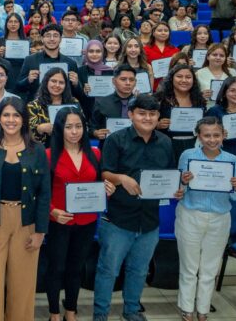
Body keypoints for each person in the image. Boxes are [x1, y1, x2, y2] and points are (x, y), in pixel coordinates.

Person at [94, 94, 179, 321]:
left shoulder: (165, 142)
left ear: (158, 116)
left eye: (152, 114)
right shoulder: (116, 140)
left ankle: (131, 310)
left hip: (150, 219)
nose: (147, 118)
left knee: (139, 270)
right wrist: (121, 178)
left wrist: (175, 189)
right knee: (108, 270)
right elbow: (104, 173)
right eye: (142, 113)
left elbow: (169, 175)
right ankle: (100, 314)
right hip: (118, 218)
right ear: (131, 114)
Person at [0, 97, 50, 321]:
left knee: (23, 283)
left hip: (26, 222)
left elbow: (44, 193)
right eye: (6, 115)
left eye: (16, 115)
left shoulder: (36, 150)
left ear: (24, 120)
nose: (11, 120)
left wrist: (40, 232)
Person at [44, 107, 111, 321]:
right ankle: (54, 313)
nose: (74, 132)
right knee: (56, 268)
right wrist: (52, 211)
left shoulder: (96, 153)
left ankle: (70, 312)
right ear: (59, 129)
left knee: (76, 268)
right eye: (69, 127)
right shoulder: (48, 155)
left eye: (79, 126)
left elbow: (98, 187)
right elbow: (40, 192)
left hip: (87, 221)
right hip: (58, 221)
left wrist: (107, 189)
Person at [176, 118, 236, 321]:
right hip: (190, 214)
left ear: (224, 136)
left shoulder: (233, 160)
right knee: (189, 266)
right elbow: (179, 191)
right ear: (198, 136)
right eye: (206, 135)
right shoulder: (188, 155)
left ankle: (203, 309)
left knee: (210, 267)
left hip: (220, 217)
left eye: (216, 135)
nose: (212, 139)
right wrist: (183, 181)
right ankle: (187, 308)